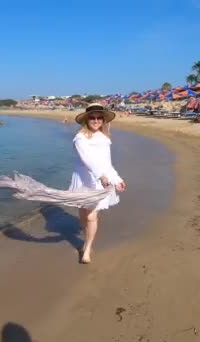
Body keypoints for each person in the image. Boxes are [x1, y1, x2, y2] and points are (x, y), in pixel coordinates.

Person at [70, 103, 126, 264]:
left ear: (103, 120)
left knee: (92, 215)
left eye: (99, 117)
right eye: (92, 117)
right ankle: (86, 239)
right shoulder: (80, 138)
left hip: (100, 182)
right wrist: (100, 175)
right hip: (83, 179)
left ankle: (87, 248)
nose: (96, 120)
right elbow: (87, 159)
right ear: (87, 120)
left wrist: (117, 179)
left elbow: (107, 163)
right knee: (83, 214)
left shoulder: (104, 138)